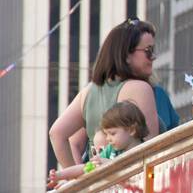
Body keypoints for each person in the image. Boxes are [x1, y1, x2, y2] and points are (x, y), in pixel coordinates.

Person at [48, 18, 161, 170]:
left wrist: (77, 180)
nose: (153, 57)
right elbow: (149, 149)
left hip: (100, 190)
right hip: (132, 187)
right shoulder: (140, 88)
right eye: (148, 51)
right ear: (126, 55)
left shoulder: (88, 92)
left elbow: (57, 134)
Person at [48, 101, 149, 189]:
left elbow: (133, 174)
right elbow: (86, 167)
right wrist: (61, 175)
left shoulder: (144, 152)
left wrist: (108, 164)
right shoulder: (111, 150)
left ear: (131, 130)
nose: (108, 139)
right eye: (106, 134)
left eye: (113, 133)